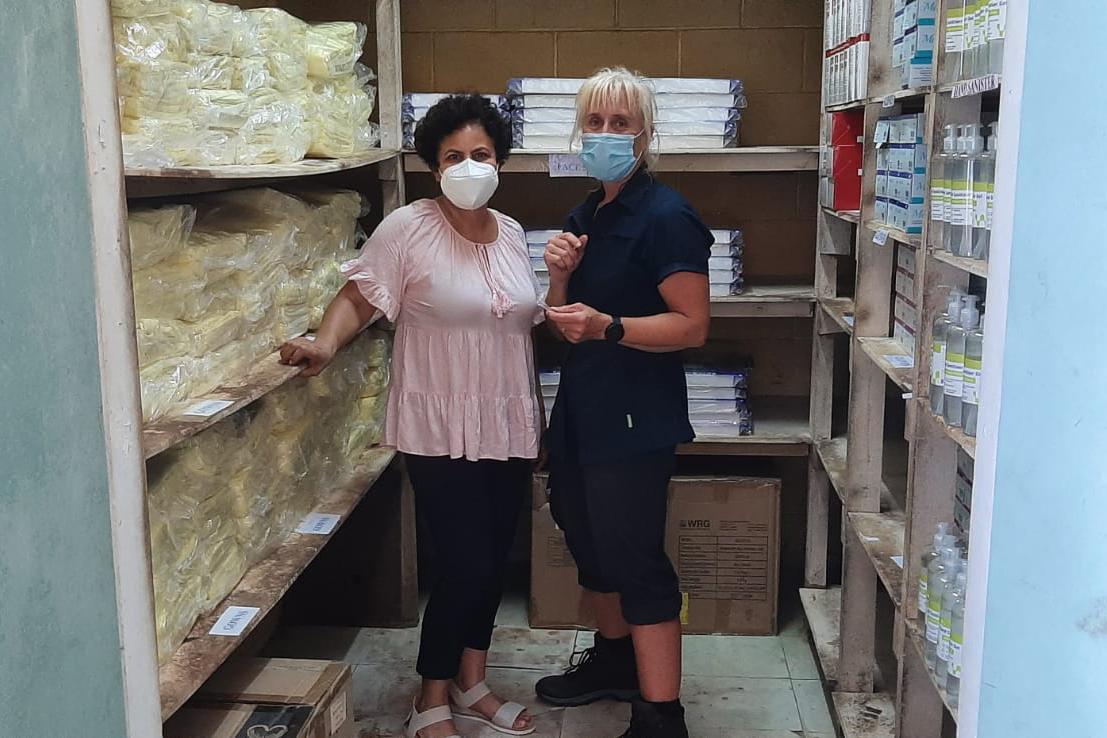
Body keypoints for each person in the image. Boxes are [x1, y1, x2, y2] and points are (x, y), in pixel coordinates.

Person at [280, 94, 541, 738]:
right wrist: (324, 344)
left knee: (495, 559)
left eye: (481, 154)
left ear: (500, 160)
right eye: (454, 156)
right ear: (433, 166)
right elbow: (359, 295)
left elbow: (520, 318)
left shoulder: (511, 232)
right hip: (440, 424)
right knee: (463, 564)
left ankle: (472, 683)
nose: (469, 166)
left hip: (507, 418)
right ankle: (430, 697)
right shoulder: (409, 228)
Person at [534, 67, 712, 738]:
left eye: (620, 122)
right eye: (594, 121)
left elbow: (692, 326)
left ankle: (661, 714)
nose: (605, 133)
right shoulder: (588, 213)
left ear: (643, 134)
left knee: (635, 558)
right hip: (584, 408)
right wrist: (557, 277)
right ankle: (613, 662)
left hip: (635, 417)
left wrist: (610, 327)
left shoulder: (666, 216)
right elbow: (563, 322)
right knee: (587, 540)